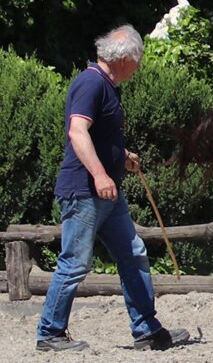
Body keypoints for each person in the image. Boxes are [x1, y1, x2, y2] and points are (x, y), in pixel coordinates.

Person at [35, 25, 190, 352]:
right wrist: (101, 175)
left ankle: (147, 330)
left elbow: (99, 137)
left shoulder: (105, 86)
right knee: (74, 263)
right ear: (126, 58)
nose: (139, 65)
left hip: (106, 193)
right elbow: (78, 133)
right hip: (86, 192)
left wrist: (121, 157)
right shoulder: (91, 83)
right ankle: (50, 333)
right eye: (139, 59)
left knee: (132, 255)